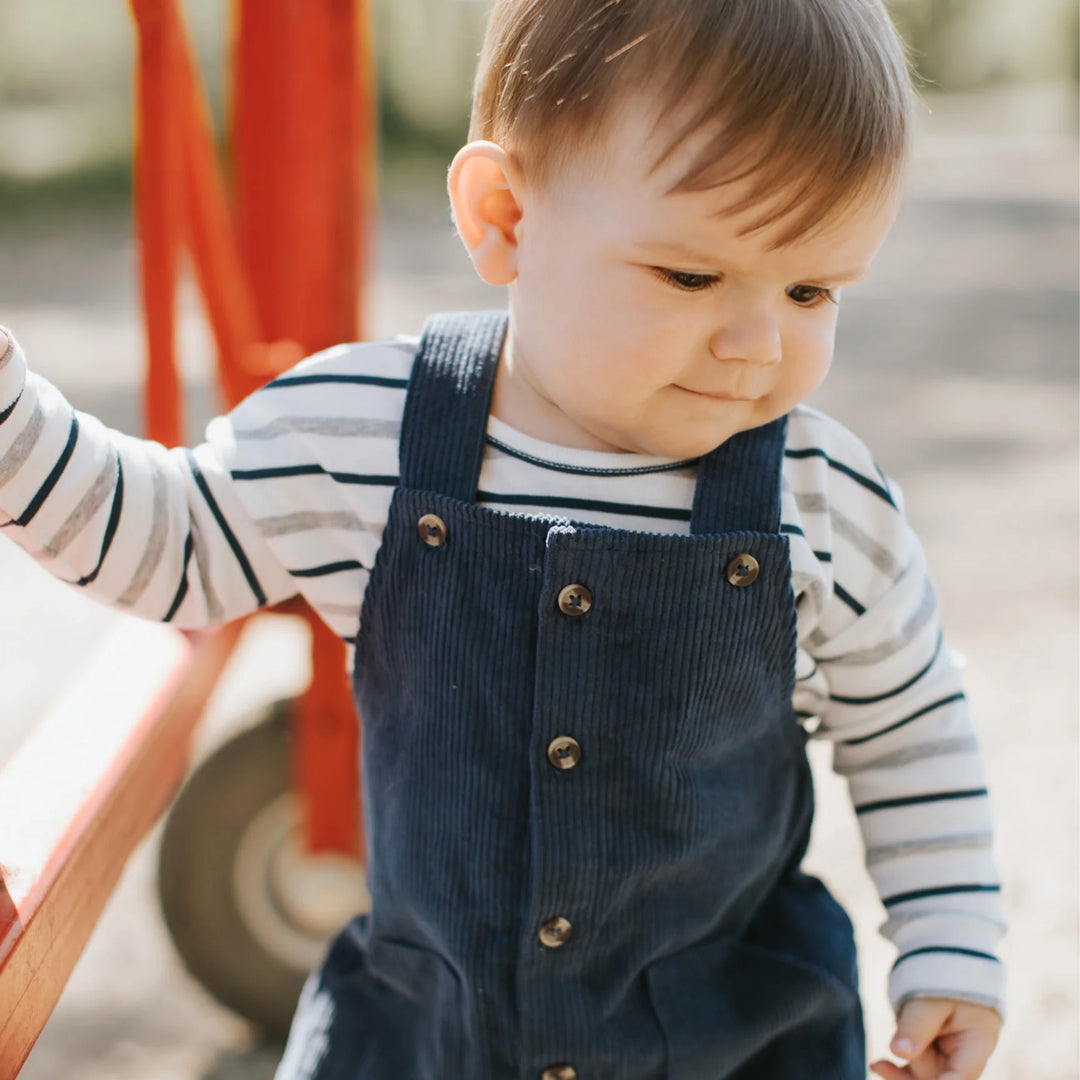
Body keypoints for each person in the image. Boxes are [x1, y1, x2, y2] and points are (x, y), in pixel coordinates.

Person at [0, 1, 1006, 1077]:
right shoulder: (366, 434)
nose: (757, 345)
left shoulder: (823, 497)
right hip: (427, 1038)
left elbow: (909, 725)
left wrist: (950, 942)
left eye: (812, 289)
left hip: (729, 1040)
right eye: (691, 276)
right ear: (505, 218)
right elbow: (163, 544)